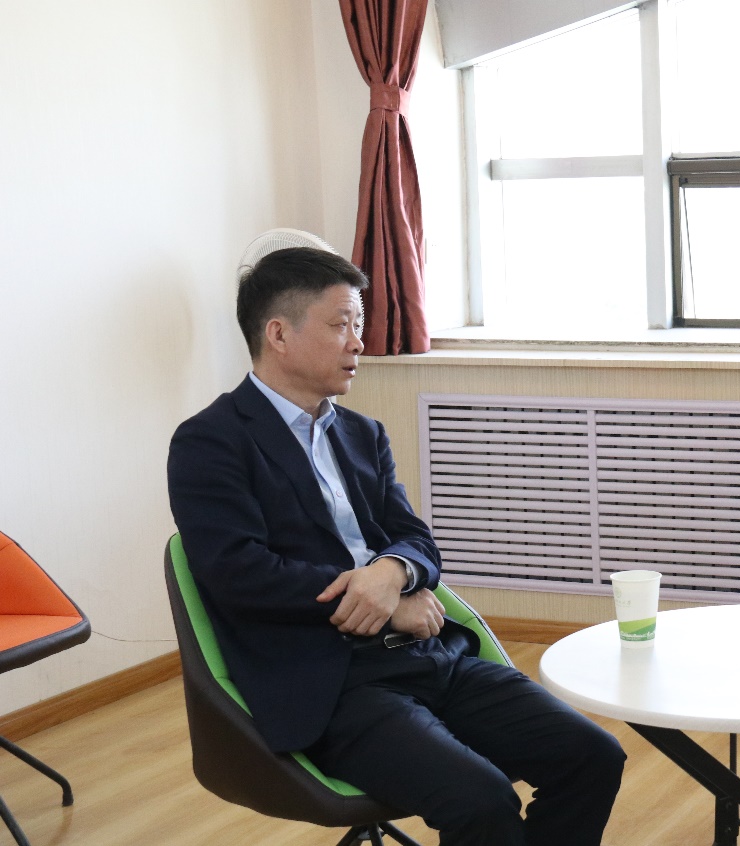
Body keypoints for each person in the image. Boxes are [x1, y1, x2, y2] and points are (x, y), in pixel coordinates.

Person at [167, 246, 625, 846]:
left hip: (428, 654)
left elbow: (418, 540)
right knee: (482, 800)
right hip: (332, 683)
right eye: (341, 325)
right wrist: (385, 604)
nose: (359, 342)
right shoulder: (210, 441)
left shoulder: (362, 433)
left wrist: (393, 572)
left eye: (358, 324)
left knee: (594, 756)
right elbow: (239, 572)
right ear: (278, 334)